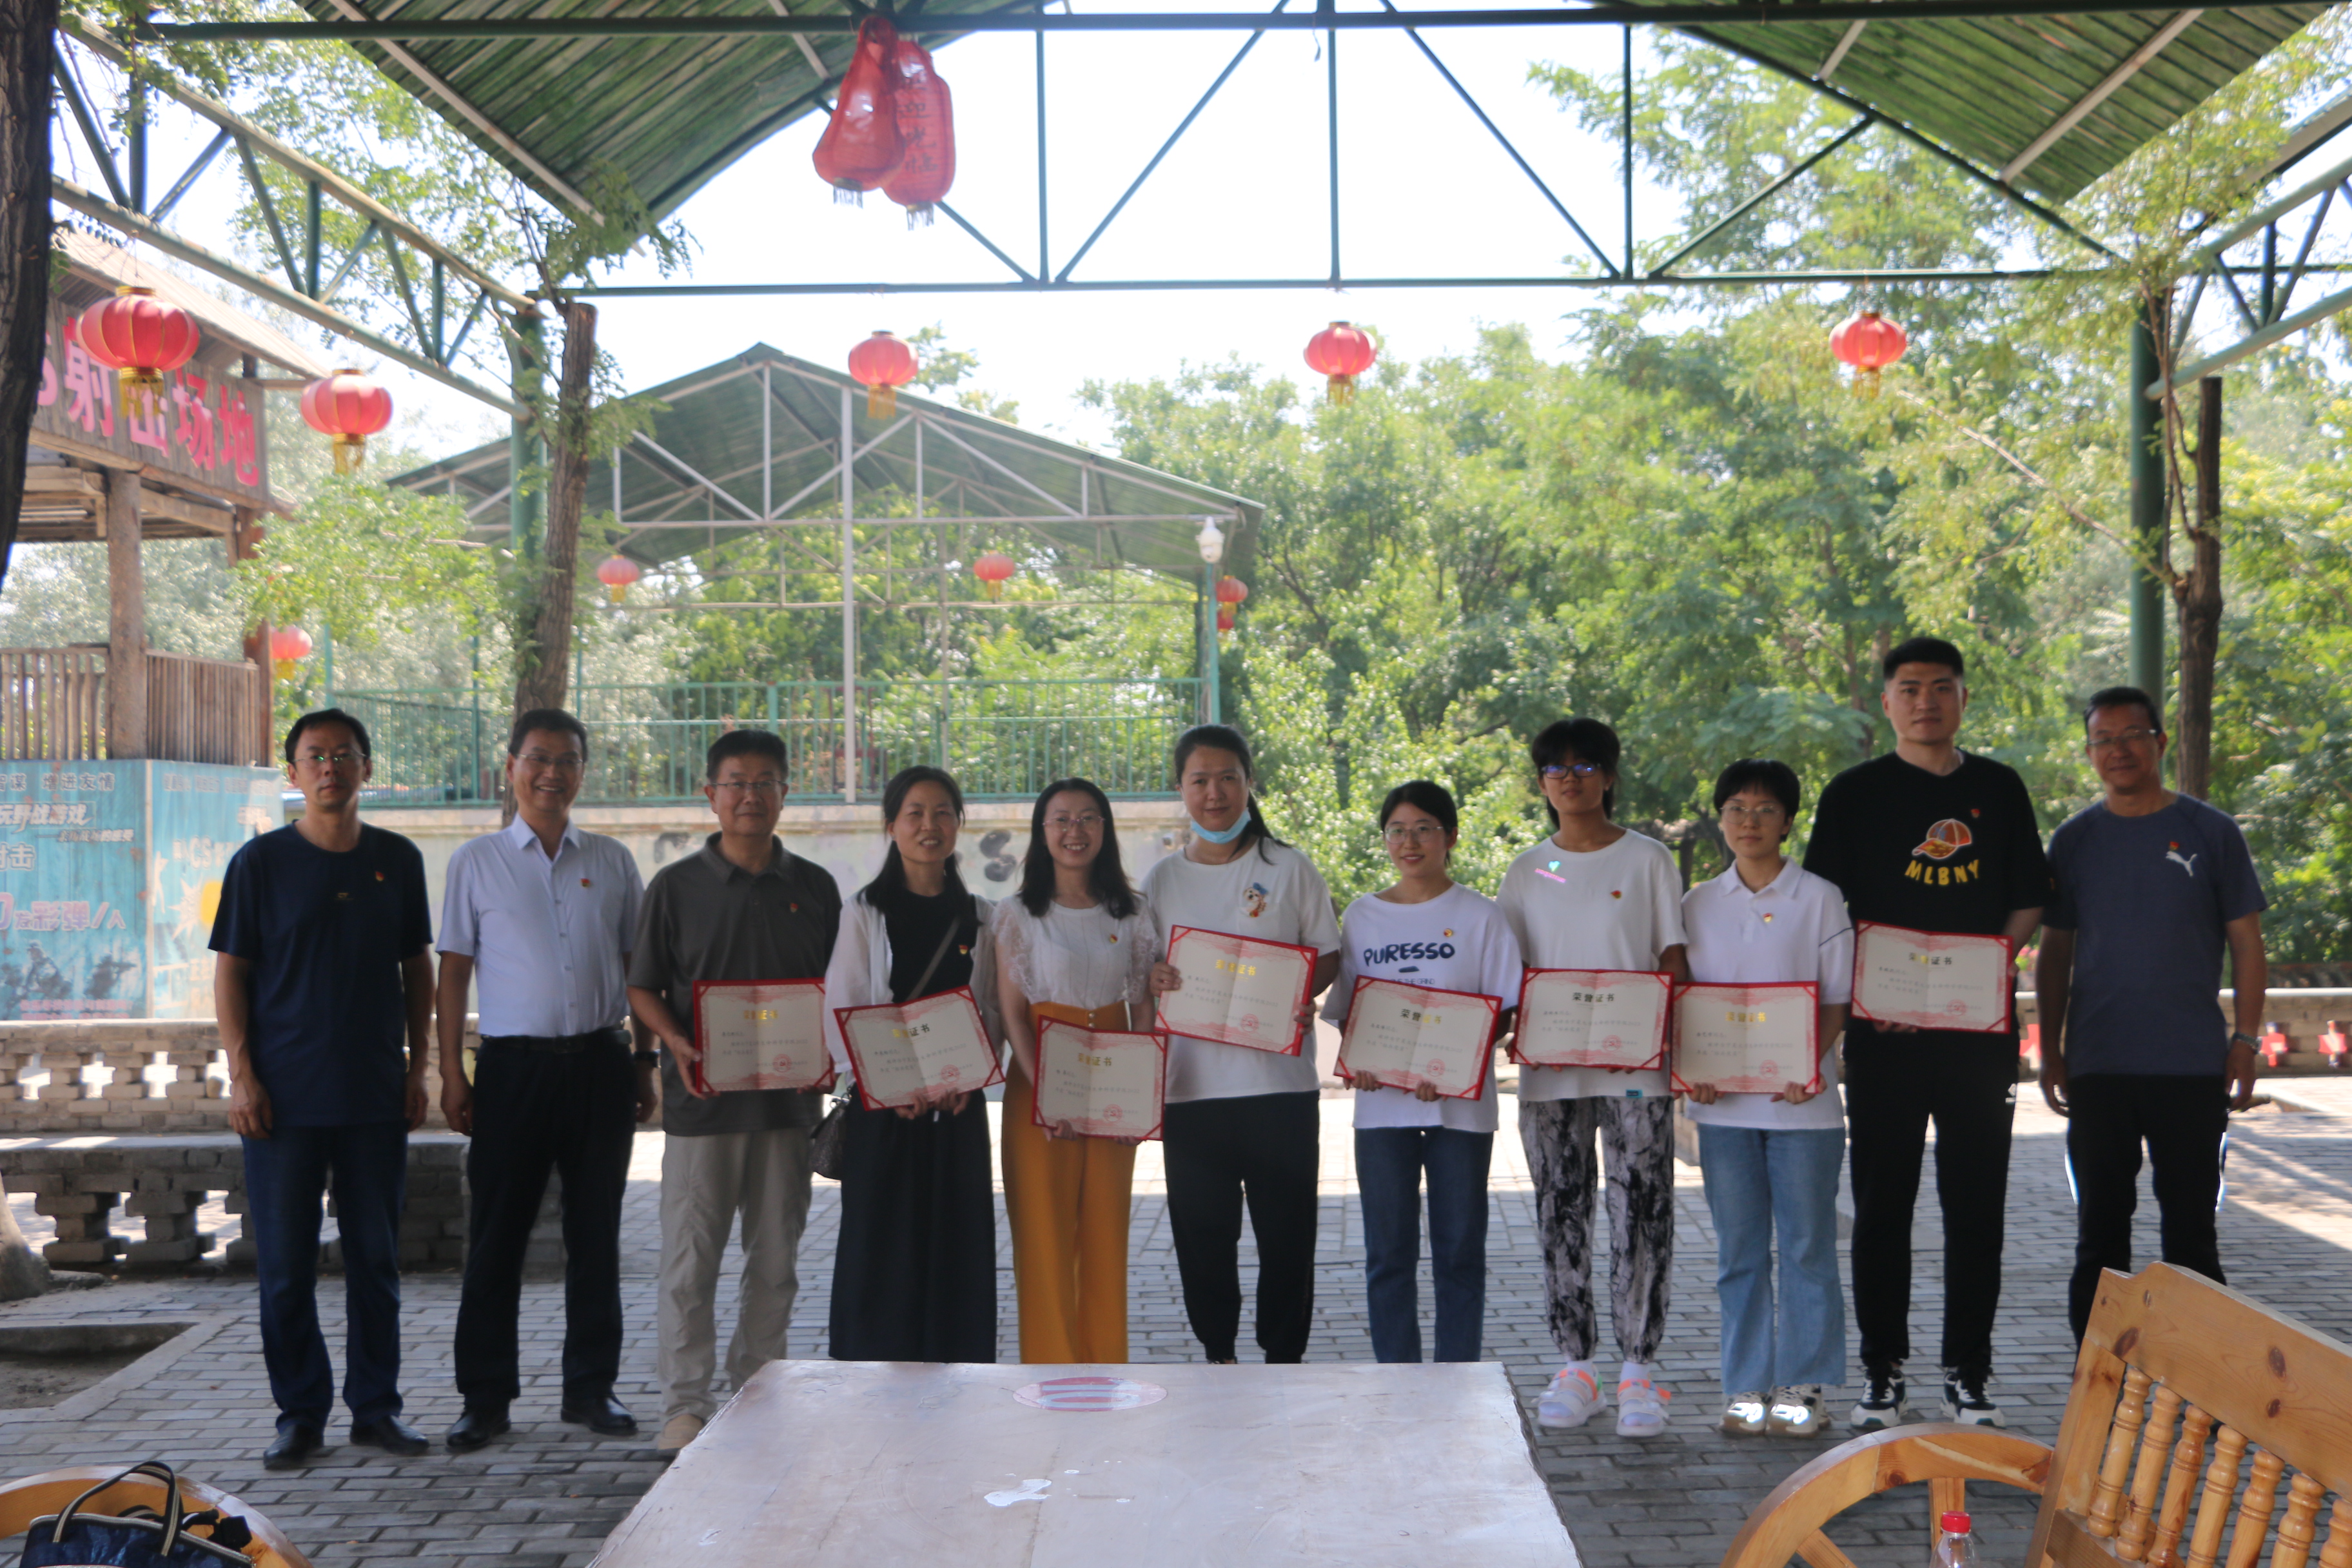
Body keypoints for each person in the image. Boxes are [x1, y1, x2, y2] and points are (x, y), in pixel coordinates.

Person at [1803, 636, 2048, 1431]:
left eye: (1942, 687)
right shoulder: (1854, 794)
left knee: (1976, 1205)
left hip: (1979, 1036)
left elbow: (2029, 897)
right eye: (1909, 688)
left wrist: (1991, 964)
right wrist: (1869, 992)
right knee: (1883, 1206)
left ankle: (1968, 1373)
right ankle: (1883, 1372)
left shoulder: (1999, 787)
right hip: (1885, 1033)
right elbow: (1826, 913)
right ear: (1887, 702)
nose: (1926, 701)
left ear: (1963, 697)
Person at [211, 709, 435, 1470]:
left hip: (373, 1095)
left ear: (366, 767)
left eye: (344, 754)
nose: (330, 767)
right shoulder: (260, 863)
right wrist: (242, 1073)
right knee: (285, 1269)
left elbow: (417, 967)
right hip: (283, 1100)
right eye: (315, 756)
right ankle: (300, 1413)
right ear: (294, 773)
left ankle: (377, 1407)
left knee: (376, 1262)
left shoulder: (397, 859)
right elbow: (231, 972)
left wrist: (418, 1068)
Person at [438, 709, 654, 1454]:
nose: (551, 772)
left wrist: (644, 1059)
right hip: (512, 1071)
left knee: (596, 1233)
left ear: (582, 772)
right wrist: (451, 1071)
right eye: (537, 758)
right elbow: (453, 972)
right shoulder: (476, 862)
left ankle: (591, 1387)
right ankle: (484, 1396)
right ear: (512, 767)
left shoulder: (613, 861)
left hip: (600, 1063)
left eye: (566, 760)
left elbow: (637, 969)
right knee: (496, 1235)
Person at [627, 730, 842, 1453]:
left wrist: (832, 1049)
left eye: (765, 782)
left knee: (776, 1261)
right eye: (736, 782)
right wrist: (675, 1041)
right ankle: (684, 1406)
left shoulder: (815, 887)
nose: (751, 795)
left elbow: (838, 988)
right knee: (690, 1264)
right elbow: (641, 986)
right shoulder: (675, 887)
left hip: (788, 1108)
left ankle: (759, 1390)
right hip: (701, 1108)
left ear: (785, 792)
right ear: (710, 794)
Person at [2035, 686, 2268, 1342]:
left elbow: (2248, 944)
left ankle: (2197, 1383)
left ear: (2160, 742)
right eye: (2103, 740)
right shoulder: (2074, 840)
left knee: (2192, 1235)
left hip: (2191, 1067)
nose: (2118, 750)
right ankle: (2096, 1376)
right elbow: (2054, 953)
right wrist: (2050, 1049)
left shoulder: (2211, 831)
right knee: (2099, 1236)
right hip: (2099, 1067)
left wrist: (2246, 1040)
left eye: (2132, 735)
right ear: (2089, 753)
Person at [1496, 718, 1690, 1437]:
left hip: (1636, 1065)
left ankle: (1639, 1369)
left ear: (1609, 776)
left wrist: (1666, 1037)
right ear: (1541, 783)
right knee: (1561, 1207)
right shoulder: (1527, 870)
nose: (1570, 778)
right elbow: (1508, 970)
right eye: (1556, 768)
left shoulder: (1648, 859)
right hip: (1551, 1069)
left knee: (1643, 1206)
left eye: (1585, 766)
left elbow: (1673, 958)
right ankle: (1576, 1366)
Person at [1143, 725, 1341, 1365]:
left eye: (1228, 777)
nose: (1215, 792)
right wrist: (1155, 977)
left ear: (1249, 783)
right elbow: (1143, 968)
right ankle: (1219, 1356)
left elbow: (1328, 951)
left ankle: (1284, 1360)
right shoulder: (1161, 880)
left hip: (1279, 1088)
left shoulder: (1290, 867)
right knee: (1203, 1237)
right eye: (1199, 779)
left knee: (1288, 1238)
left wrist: (1299, 990)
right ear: (1180, 789)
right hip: (1192, 1090)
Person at [1681, 760, 1854, 1440]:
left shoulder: (1820, 897)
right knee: (1740, 1252)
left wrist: (1807, 1063)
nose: (1748, 821)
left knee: (1808, 1246)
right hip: (1722, 1109)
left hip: (1803, 1106)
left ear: (1788, 821)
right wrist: (1693, 1068)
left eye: (1764, 810)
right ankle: (1746, 1386)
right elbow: (1685, 999)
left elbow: (1836, 997)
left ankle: (1804, 1387)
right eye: (1736, 809)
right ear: (1721, 818)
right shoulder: (1697, 902)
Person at [1326, 780, 1521, 1364]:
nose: (1409, 843)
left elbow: (1504, 1008)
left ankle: (1458, 1377)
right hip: (1382, 1112)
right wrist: (1363, 1063)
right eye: (1397, 831)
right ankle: (1399, 1379)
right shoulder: (1363, 916)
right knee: (1388, 1255)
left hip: (1460, 1112)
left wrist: (1454, 1064)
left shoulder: (1482, 916)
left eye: (1424, 830)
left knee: (1459, 1252)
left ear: (1450, 837)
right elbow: (1349, 1010)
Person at [822, 765, 1002, 1363]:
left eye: (943, 812)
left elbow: (991, 1009)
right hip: (886, 1113)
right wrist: (891, 1086)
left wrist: (968, 1079)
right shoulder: (865, 912)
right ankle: (873, 1376)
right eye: (916, 813)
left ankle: (959, 1374)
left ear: (959, 824)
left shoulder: (982, 916)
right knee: (882, 1248)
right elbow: (844, 1007)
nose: (930, 825)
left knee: (957, 1243)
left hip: (958, 1110)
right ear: (891, 825)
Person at [994, 778, 1159, 1364]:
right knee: (1044, 1235)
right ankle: (1051, 1372)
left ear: (1104, 830)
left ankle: (1105, 1368)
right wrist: (1048, 1094)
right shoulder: (1017, 915)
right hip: (1039, 1081)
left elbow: (1143, 1004)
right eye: (1061, 819)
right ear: (1042, 833)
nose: (1075, 831)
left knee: (1106, 1231)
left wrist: (1137, 1100)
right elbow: (1013, 1012)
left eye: (1088, 818)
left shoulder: (1133, 912)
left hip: (1113, 1082)